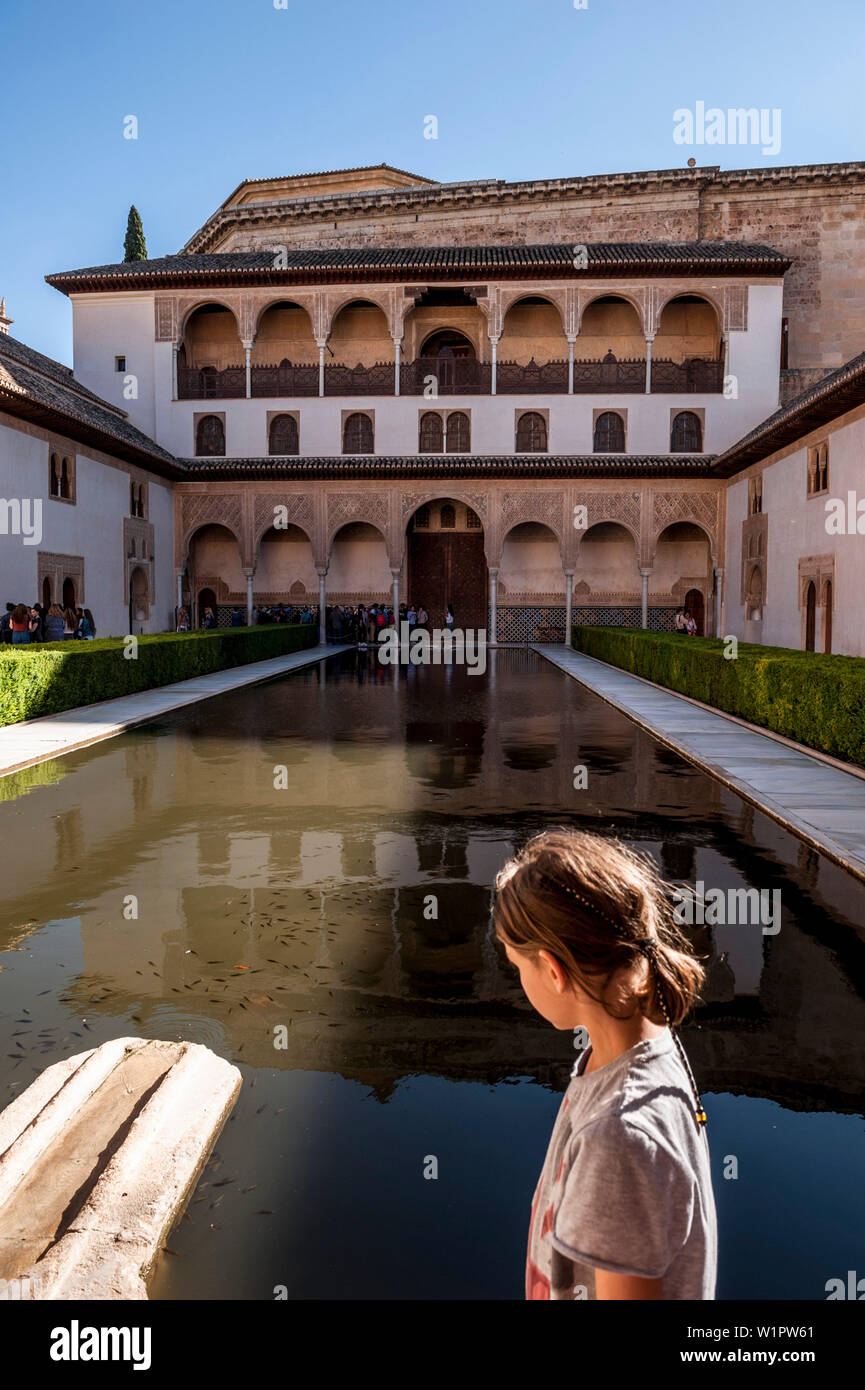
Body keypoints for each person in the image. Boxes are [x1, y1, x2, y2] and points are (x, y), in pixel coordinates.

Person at [493, 828, 716, 1302]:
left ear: (553, 971)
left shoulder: (619, 1136)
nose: (519, 981)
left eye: (518, 966)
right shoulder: (640, 1043)